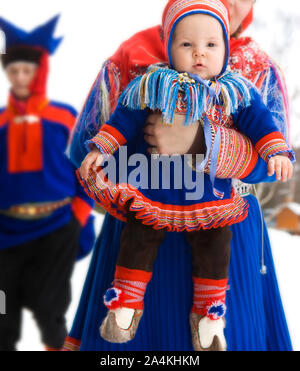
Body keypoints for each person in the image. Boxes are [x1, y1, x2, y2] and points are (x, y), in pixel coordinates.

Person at [63, 0, 293, 351]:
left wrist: (202, 143)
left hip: (228, 231)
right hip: (140, 220)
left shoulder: (258, 70)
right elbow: (84, 150)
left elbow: (275, 161)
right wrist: (148, 153)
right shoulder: (132, 57)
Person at [0, 16, 95, 351]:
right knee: (1, 310)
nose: (20, 77)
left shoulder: (65, 118)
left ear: (41, 72)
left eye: (28, 70)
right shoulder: (0, 122)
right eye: (13, 71)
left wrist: (78, 219)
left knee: (50, 308)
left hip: (56, 226)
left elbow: (85, 171)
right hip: (6, 231)